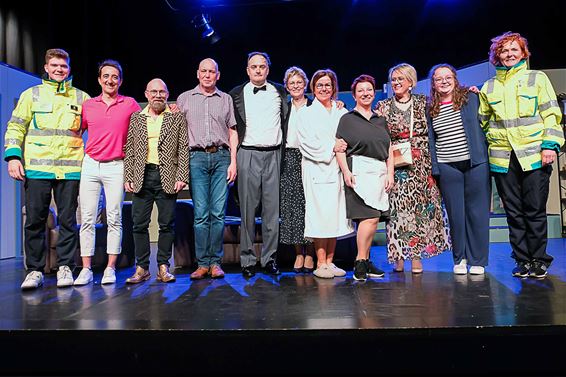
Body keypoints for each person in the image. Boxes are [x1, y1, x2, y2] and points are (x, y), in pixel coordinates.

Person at [479, 32, 564, 279]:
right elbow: (484, 122)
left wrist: (550, 145)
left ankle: (539, 259)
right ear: (497, 55)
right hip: (503, 158)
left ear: (523, 53)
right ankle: (522, 260)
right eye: (504, 51)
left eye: (514, 49)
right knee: (513, 212)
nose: (509, 54)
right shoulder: (489, 86)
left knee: (535, 209)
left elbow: (551, 114)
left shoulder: (536, 78)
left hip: (534, 155)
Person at [4, 48, 90, 290]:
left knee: (67, 221)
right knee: (34, 221)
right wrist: (13, 157)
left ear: (69, 69)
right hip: (37, 168)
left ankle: (65, 267)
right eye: (54, 65)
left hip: (70, 170)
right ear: (46, 67)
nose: (59, 70)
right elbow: (15, 128)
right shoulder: (31, 95)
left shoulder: (82, 98)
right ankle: (34, 270)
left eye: (63, 66)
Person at [376, 63, 450, 273]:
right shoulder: (383, 106)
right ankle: (398, 256)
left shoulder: (423, 103)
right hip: (395, 164)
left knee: (419, 212)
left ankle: (416, 256)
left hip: (421, 165)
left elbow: (448, 104)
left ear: (411, 82)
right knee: (397, 212)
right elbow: (368, 124)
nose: (397, 83)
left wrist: (470, 93)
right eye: (394, 79)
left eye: (401, 79)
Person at [73, 60, 141, 286]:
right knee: (87, 218)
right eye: (106, 76)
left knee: (114, 217)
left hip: (116, 165)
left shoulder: (130, 104)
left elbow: (146, 121)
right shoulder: (89, 105)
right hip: (91, 164)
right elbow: (75, 131)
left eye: (115, 77)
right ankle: (86, 269)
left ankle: (110, 268)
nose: (110, 80)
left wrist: (171, 109)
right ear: (99, 79)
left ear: (120, 80)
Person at [177, 58, 238, 280]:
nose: (207, 75)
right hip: (196, 158)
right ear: (197, 73)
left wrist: (233, 161)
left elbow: (232, 132)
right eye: (203, 71)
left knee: (218, 213)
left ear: (218, 75)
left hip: (221, 157)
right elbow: (177, 133)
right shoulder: (184, 99)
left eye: (211, 71)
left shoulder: (226, 99)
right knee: (201, 214)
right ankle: (202, 263)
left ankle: (215, 263)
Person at [229, 52, 289, 278]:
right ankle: (247, 260)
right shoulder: (236, 94)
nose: (258, 70)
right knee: (247, 210)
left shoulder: (279, 92)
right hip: (248, 154)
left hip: (274, 154)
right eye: (253, 67)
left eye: (262, 67)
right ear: (247, 70)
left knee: (272, 212)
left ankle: (269, 258)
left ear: (268, 69)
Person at [427, 64, 490, 275]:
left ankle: (478, 260)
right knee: (456, 215)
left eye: (448, 77)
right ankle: (460, 258)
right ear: (433, 84)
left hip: (476, 164)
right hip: (447, 166)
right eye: (439, 79)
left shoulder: (472, 98)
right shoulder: (431, 108)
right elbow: (430, 141)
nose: (444, 82)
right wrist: (435, 168)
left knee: (477, 213)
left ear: (455, 79)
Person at [124, 78, 189, 284]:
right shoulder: (136, 118)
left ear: (167, 94)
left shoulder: (176, 118)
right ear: (146, 94)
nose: (158, 95)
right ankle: (142, 267)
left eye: (162, 91)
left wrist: (182, 176)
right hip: (142, 175)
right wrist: (128, 176)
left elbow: (183, 148)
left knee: (166, 224)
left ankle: (163, 266)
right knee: (139, 224)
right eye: (154, 92)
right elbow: (130, 150)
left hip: (167, 174)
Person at [297, 69, 353, 279]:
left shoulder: (341, 112)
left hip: (337, 170)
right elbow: (306, 143)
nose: (324, 88)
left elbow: (349, 136)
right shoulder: (306, 113)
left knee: (335, 216)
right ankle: (320, 262)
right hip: (317, 168)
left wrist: (342, 147)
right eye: (319, 85)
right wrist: (333, 146)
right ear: (313, 88)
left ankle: (330, 262)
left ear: (333, 88)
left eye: (327, 85)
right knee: (320, 215)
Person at [336, 74, 392, 281]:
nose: (365, 93)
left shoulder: (381, 120)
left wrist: (390, 174)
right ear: (354, 95)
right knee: (369, 217)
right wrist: (346, 172)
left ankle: (366, 261)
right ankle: (360, 261)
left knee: (373, 218)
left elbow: (389, 149)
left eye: (369, 90)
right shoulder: (347, 119)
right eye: (361, 90)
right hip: (358, 171)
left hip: (379, 173)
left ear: (374, 92)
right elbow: (340, 149)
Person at [280, 66, 315, 273]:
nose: (295, 86)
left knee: (309, 206)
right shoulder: (284, 107)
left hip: (311, 158)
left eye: (299, 82)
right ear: (287, 86)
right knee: (291, 207)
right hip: (289, 158)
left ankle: (310, 252)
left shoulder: (314, 106)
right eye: (291, 83)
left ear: (305, 84)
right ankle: (298, 253)